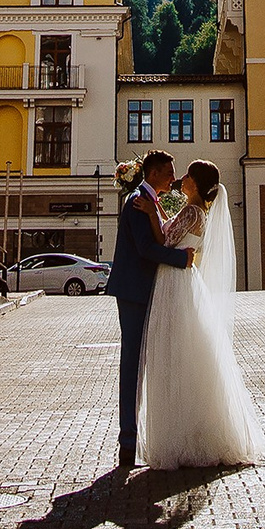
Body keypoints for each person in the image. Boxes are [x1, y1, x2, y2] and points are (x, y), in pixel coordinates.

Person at [137, 158, 265, 469]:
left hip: (175, 281)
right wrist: (159, 213)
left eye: (188, 175)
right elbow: (175, 232)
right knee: (183, 352)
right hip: (180, 278)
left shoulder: (193, 211)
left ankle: (184, 436)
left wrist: (152, 214)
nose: (182, 178)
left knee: (175, 352)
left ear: (196, 182)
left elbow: (166, 240)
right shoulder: (194, 210)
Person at [107, 150, 190, 471]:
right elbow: (144, 248)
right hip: (133, 291)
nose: (173, 177)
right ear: (153, 173)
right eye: (169, 172)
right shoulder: (138, 200)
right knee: (131, 365)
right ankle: (127, 440)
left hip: (142, 291)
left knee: (141, 363)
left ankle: (134, 439)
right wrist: (181, 259)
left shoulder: (148, 200)